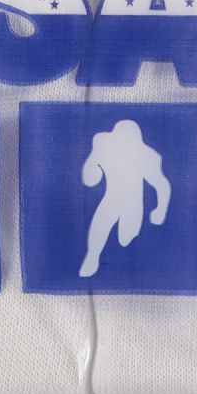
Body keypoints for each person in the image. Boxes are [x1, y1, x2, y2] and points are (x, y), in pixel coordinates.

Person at [79, 119, 171, 278]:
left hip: (133, 205)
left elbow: (162, 184)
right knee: (100, 228)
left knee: (125, 239)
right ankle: (92, 257)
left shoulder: (146, 156)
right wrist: (94, 159)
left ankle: (107, 256)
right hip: (111, 200)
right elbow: (89, 180)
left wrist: (161, 210)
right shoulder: (104, 147)